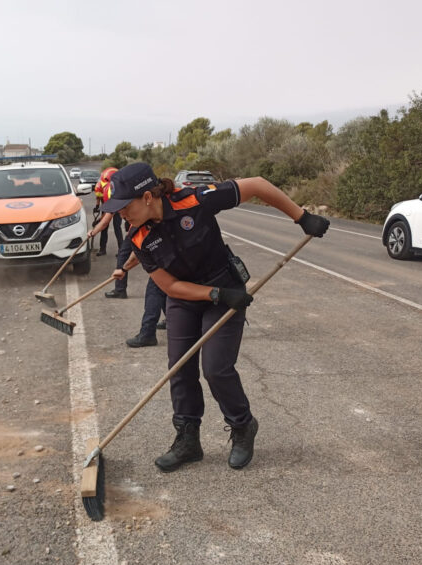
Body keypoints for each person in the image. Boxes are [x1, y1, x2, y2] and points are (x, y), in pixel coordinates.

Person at [101, 162, 329, 472]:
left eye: (124, 206)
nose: (120, 214)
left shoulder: (195, 200)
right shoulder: (139, 238)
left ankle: (242, 425)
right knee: (179, 367)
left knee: (216, 369)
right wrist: (213, 295)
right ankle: (188, 440)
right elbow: (169, 285)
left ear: (147, 197)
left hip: (224, 285)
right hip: (187, 297)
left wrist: (301, 217)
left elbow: (258, 183)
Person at [93, 167, 124, 256]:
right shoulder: (101, 185)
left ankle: (121, 251)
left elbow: (109, 212)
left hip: (116, 207)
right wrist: (97, 206)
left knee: (116, 227)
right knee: (105, 228)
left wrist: (100, 220)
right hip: (106, 206)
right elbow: (99, 197)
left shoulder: (115, 187)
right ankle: (103, 249)